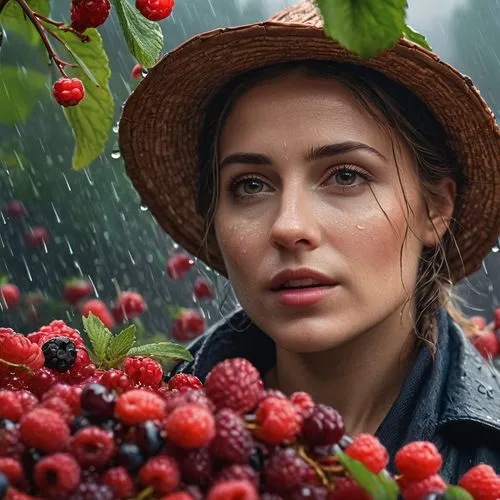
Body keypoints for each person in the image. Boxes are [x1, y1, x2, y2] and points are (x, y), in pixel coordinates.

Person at [119, 0, 500, 484]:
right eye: (251, 185)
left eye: (345, 175)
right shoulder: (135, 435)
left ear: (435, 209)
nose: (288, 225)